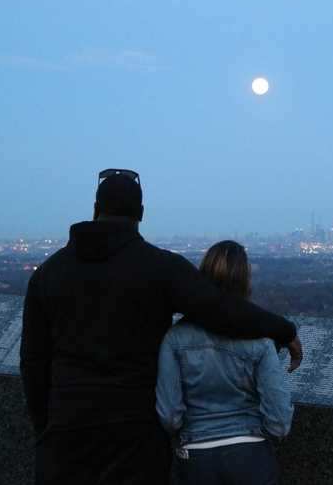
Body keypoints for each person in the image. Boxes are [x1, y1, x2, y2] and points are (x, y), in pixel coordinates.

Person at [20, 168, 303, 485]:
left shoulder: (48, 274)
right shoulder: (160, 268)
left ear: (95, 209)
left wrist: (46, 426)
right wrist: (284, 330)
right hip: (135, 434)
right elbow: (220, 310)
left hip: (66, 429)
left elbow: (33, 363)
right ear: (140, 214)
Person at [156, 241, 293, 485]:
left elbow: (169, 415)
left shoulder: (175, 338)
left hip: (195, 456)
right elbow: (279, 419)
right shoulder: (260, 340)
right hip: (251, 454)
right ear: (245, 279)